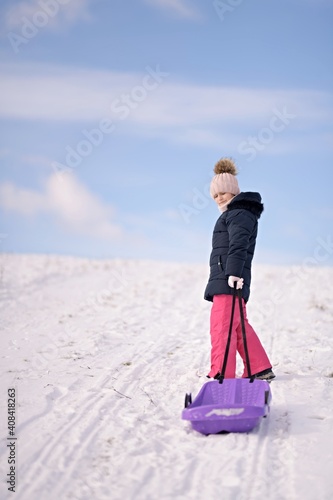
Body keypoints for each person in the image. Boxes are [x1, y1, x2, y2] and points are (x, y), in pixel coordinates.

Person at [204, 158, 275, 381]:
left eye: (223, 192)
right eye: (215, 195)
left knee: (222, 326)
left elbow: (238, 245)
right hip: (228, 277)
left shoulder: (238, 214)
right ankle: (259, 367)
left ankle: (221, 373)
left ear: (234, 190)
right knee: (237, 326)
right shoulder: (235, 214)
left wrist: (233, 273)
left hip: (229, 279)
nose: (219, 198)